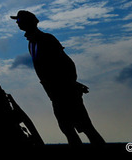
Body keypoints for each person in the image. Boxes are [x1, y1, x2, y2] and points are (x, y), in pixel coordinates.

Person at [11, 10, 105, 144]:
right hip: (55, 94)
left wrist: (71, 84)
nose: (17, 24)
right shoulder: (31, 43)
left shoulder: (46, 39)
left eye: (19, 21)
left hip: (65, 92)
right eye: (17, 21)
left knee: (85, 127)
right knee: (67, 128)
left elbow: (66, 63)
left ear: (29, 22)